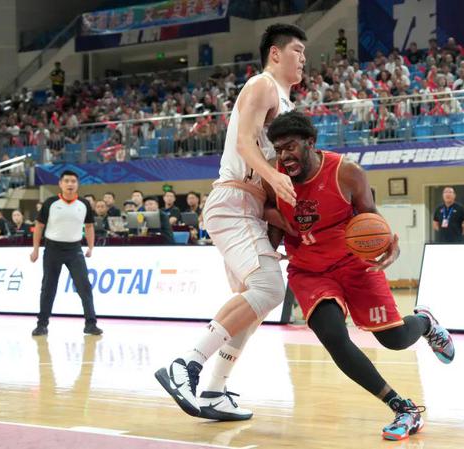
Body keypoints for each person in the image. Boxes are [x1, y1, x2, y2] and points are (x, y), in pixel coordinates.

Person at [264, 110, 454, 441]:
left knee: (394, 340)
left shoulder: (347, 173)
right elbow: (268, 213)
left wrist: (390, 245)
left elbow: (371, 217)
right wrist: (274, 229)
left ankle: (425, 323)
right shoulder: (273, 176)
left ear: (310, 142)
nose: (284, 156)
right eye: (278, 150)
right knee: (334, 338)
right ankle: (402, 408)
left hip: (354, 263)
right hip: (309, 270)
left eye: (290, 147)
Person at [155, 23, 307, 421]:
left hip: (251, 207)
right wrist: (273, 177)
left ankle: (214, 391)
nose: (303, 58)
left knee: (252, 306)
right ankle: (185, 365)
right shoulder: (262, 85)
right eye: (297, 50)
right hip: (235, 197)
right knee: (269, 288)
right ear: (275, 53)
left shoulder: (287, 104)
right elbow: (243, 142)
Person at [30, 170, 102, 337]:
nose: (70, 184)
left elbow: (89, 226)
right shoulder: (50, 203)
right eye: (67, 181)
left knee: (84, 286)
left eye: (73, 181)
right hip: (52, 249)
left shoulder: (84, 204)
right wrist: (35, 249)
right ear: (60, 184)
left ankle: (91, 324)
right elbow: (39, 226)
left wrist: (90, 247)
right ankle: (42, 325)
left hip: (74, 250)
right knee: (48, 288)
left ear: (77, 184)